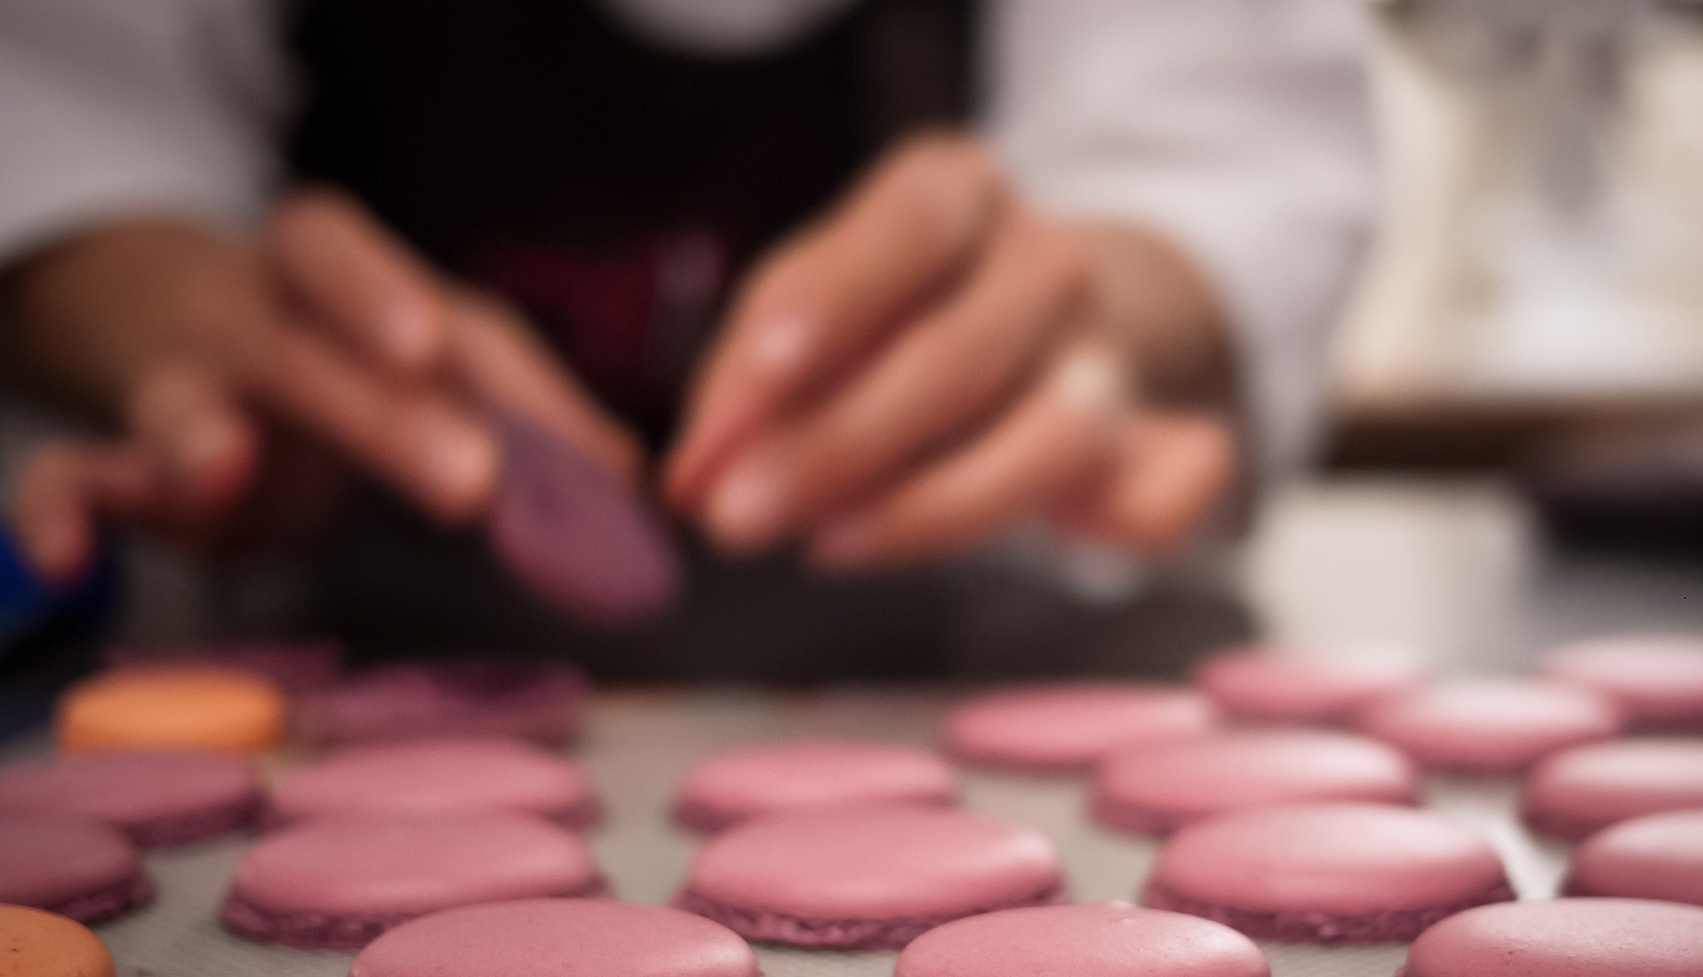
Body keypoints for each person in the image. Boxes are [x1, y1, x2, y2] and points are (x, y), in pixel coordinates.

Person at [0, 0, 1374, 681]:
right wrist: (178, 310)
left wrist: (1085, 306)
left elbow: (1216, 145)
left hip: (948, 644)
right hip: (342, 636)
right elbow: (61, 100)